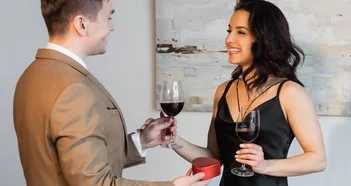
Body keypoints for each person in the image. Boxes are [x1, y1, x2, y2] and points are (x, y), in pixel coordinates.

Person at [12, 0, 210, 185]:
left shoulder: (30, 76)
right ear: (82, 24)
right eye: (108, 18)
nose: (112, 27)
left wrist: (140, 141)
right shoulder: (74, 89)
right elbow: (96, 182)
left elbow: (75, 162)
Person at [142, 0, 327, 185]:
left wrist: (265, 165)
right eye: (229, 31)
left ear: (264, 38)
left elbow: (317, 159)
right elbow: (214, 158)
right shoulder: (224, 91)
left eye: (241, 32)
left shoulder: (289, 93)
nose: (229, 39)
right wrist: (174, 140)